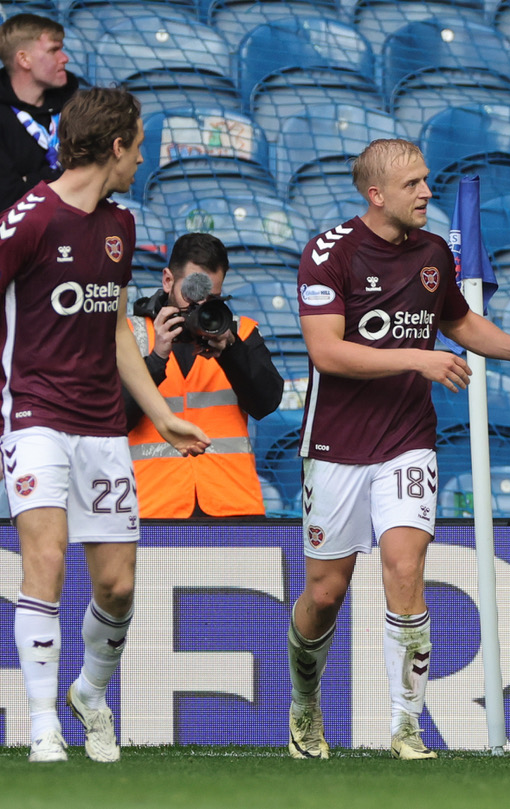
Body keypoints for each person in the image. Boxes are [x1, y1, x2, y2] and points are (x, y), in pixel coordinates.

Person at [284, 138, 510, 761]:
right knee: (324, 594)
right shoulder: (328, 253)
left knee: (406, 571)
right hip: (336, 444)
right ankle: (304, 704)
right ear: (377, 195)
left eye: (428, 181)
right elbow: (327, 351)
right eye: (415, 184)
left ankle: (406, 726)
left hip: (407, 442)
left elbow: (457, 322)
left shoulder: (432, 253)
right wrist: (418, 359)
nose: (428, 192)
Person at [0, 86, 210, 764]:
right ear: (116, 146)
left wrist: (162, 413)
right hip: (34, 414)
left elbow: (117, 328)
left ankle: (89, 692)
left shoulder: (120, 227)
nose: (144, 158)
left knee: (118, 585)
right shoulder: (28, 222)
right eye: (140, 145)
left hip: (101, 426)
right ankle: (41, 727)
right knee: (47, 559)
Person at [123, 232, 284, 518]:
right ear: (168, 280)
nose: (200, 307)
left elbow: (267, 402)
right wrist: (157, 357)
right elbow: (114, 418)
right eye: (193, 295)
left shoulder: (238, 331)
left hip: (233, 506)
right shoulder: (129, 335)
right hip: (151, 507)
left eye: (213, 298)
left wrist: (231, 351)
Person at [0, 14, 78, 210]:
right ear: (24, 59)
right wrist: (63, 177)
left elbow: (94, 174)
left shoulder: (74, 103)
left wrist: (31, 179)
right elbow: (7, 197)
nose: (65, 58)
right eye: (54, 50)